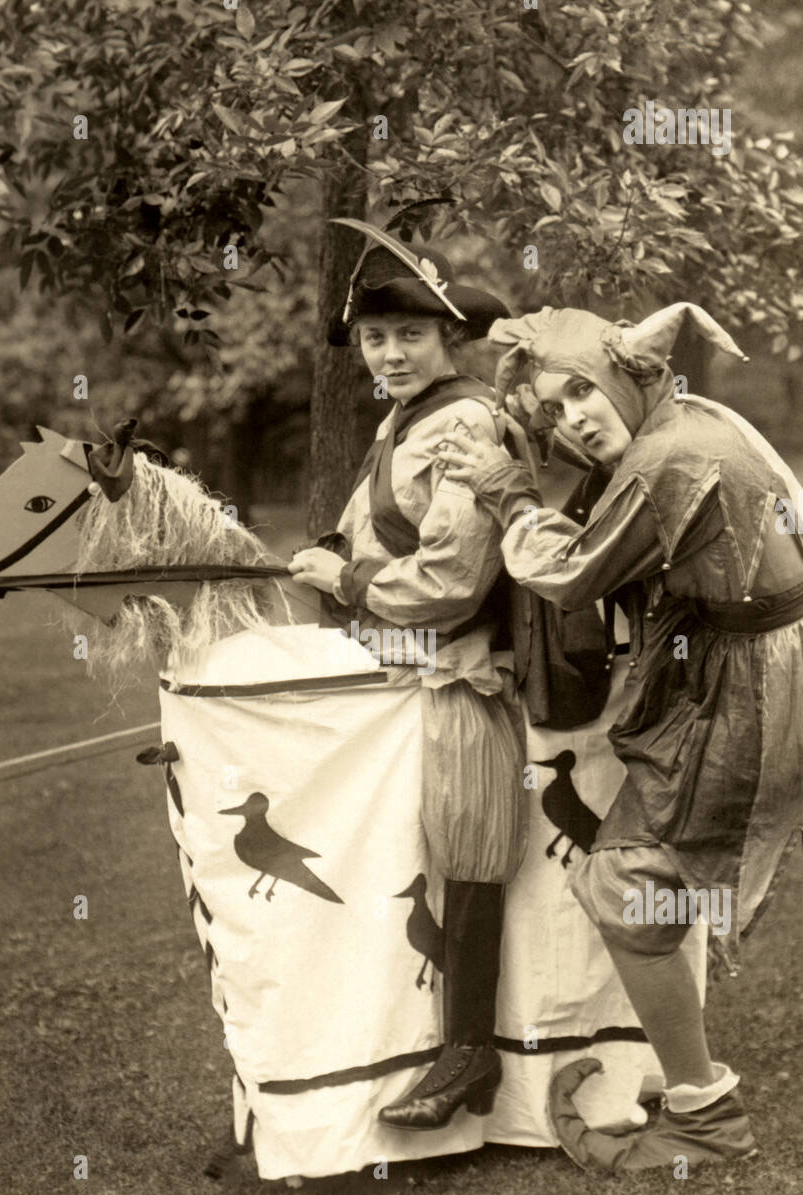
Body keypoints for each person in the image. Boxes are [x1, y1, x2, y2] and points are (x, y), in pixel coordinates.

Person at [434, 303, 803, 1170]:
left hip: (757, 685)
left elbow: (567, 573)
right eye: (553, 408)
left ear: (630, 375)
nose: (574, 418)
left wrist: (503, 486)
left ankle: (706, 1119)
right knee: (635, 879)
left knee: (625, 892)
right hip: (776, 660)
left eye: (582, 392)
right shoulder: (695, 416)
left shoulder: (672, 456)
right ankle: (733, 881)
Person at [288, 220, 529, 1130]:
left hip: (459, 672)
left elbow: (453, 580)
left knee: (468, 849)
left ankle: (467, 1056)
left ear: (446, 338)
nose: (389, 353)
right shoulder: (403, 418)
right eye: (375, 339)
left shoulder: (463, 418)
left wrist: (345, 579)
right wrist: (331, 556)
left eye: (410, 336)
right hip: (399, 671)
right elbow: (364, 527)